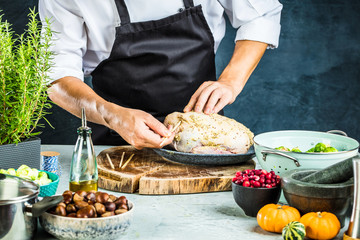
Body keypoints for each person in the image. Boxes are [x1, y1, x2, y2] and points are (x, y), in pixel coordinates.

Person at [39, 0, 282, 149]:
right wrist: (111, 115)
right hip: (116, 139)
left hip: (205, 134)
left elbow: (261, 14)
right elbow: (57, 76)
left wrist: (231, 81)